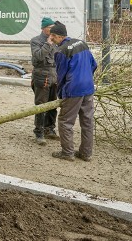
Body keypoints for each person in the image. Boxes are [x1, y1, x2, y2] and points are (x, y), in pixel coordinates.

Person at [49, 21, 97, 162]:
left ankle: (67, 153)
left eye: (52, 36)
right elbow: (94, 64)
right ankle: (86, 153)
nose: (51, 39)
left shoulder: (61, 51)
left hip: (73, 90)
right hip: (88, 88)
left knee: (65, 121)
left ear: (58, 36)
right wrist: (86, 79)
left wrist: (62, 93)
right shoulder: (82, 43)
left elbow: (61, 75)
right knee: (87, 121)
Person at [30, 17, 59, 145]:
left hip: (54, 76)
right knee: (41, 105)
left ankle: (49, 129)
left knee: (53, 104)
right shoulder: (36, 41)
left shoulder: (57, 41)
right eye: (50, 28)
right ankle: (39, 132)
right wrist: (48, 43)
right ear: (43, 28)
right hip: (42, 76)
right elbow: (39, 56)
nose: (53, 30)